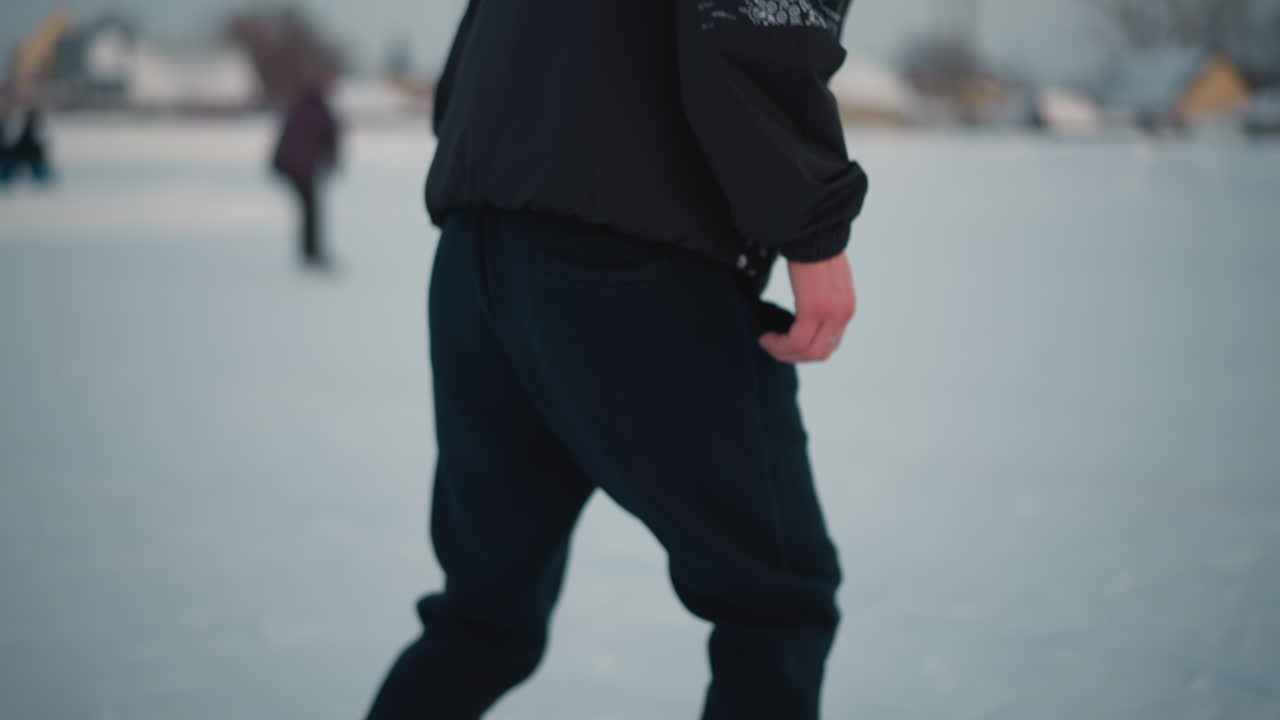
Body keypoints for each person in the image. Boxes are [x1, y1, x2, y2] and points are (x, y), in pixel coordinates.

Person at [366, 1, 869, 719]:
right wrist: (811, 227)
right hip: (634, 256)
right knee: (775, 604)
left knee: (483, 619)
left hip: (482, 247)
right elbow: (759, 21)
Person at [271, 70, 340, 268]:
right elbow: (329, 138)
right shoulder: (317, 109)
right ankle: (312, 253)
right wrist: (332, 161)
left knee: (310, 210)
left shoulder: (302, 104)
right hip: (300, 168)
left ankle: (310, 252)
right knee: (311, 210)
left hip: (296, 166)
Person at [0, 108, 52, 186]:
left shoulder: (35, 123)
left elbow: (43, 140)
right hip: (12, 155)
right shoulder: (11, 121)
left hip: (32, 154)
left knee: (41, 177)